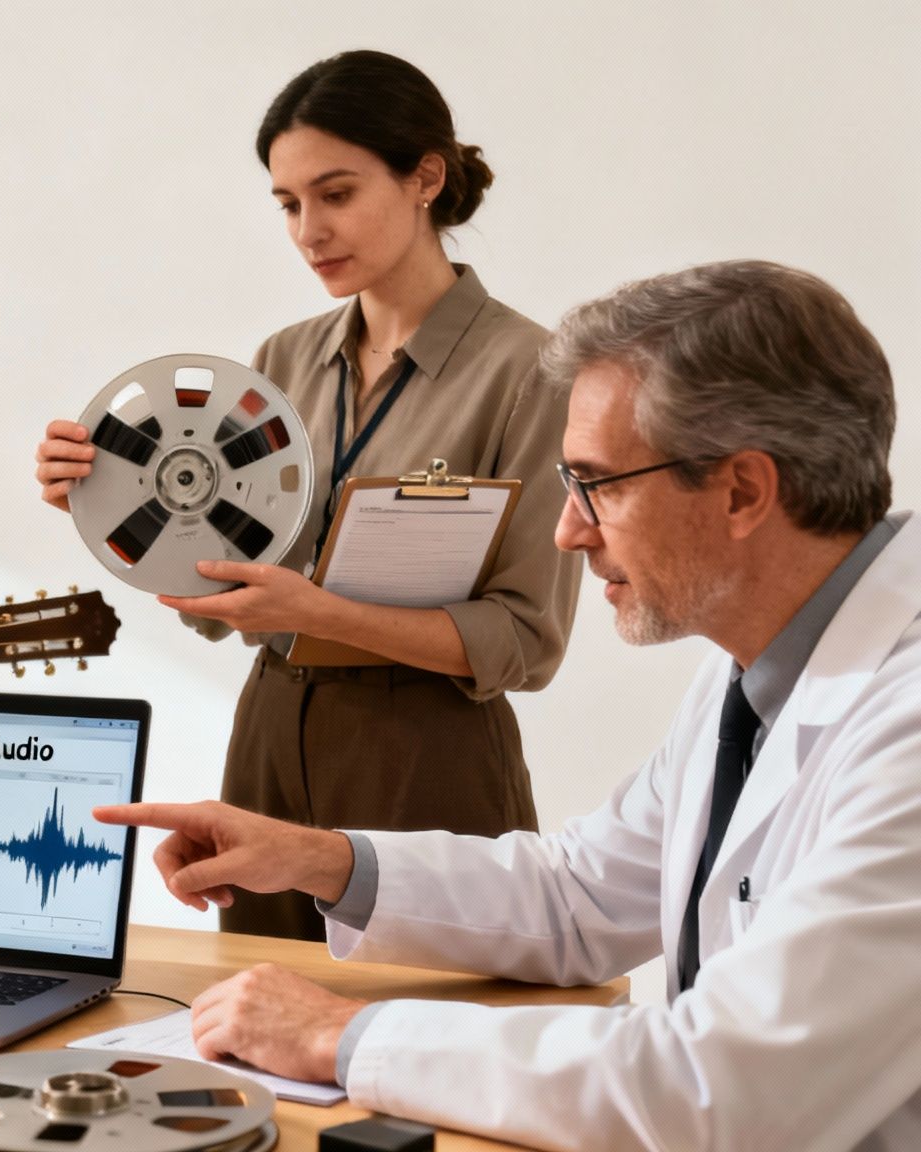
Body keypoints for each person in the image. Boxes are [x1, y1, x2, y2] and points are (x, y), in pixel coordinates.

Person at [96, 260, 919, 1150]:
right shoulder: (757, 670)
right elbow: (580, 896)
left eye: (597, 484)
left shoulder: (902, 725)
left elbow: (719, 1090)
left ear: (744, 491)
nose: (568, 532)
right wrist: (319, 860)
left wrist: (344, 1036)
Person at [32, 50, 580, 939]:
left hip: (424, 754)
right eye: (288, 204)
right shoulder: (283, 360)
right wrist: (109, 500)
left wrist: (320, 610)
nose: (307, 230)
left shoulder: (529, 372)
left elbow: (525, 639)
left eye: (336, 194)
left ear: (425, 178)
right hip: (269, 729)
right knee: (256, 1025)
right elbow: (220, 599)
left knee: (425, 1047)